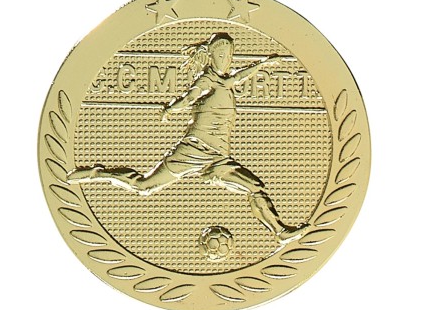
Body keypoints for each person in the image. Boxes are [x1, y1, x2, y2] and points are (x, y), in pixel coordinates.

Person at [68, 32, 307, 245]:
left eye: (229, 55)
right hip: (193, 151)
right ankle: (96, 174)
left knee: (255, 187)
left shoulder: (226, 82)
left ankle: (279, 232)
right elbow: (190, 96)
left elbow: (240, 76)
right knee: (144, 186)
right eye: (221, 54)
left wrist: (264, 63)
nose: (225, 59)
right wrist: (172, 108)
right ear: (211, 56)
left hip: (218, 158)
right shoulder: (207, 80)